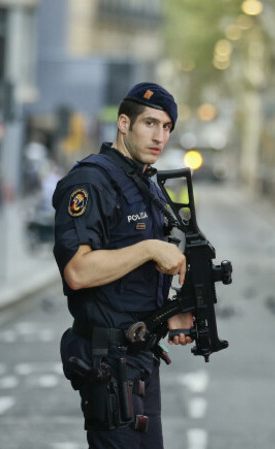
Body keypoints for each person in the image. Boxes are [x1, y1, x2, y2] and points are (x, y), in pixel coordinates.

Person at [52, 82, 193, 449]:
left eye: (166, 127)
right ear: (123, 123)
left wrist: (172, 313)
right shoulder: (91, 181)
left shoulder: (148, 185)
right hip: (108, 365)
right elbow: (78, 272)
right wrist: (149, 248)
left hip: (141, 357)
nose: (159, 135)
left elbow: (140, 279)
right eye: (150, 123)